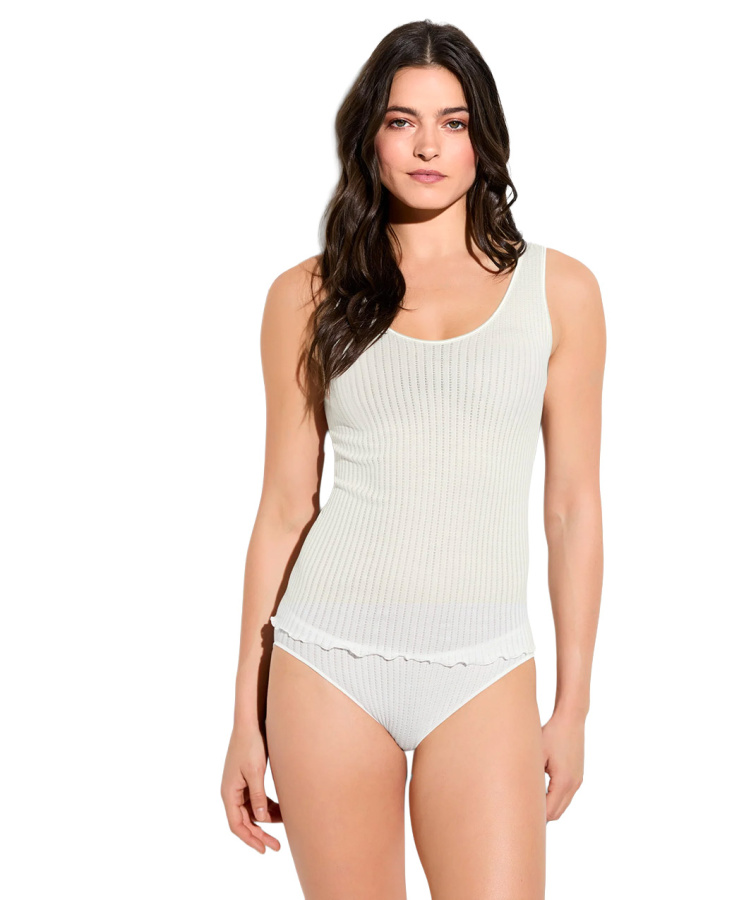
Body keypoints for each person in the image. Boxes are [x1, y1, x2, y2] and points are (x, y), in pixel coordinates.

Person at [221, 18, 605, 899]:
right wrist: (244, 714)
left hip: (483, 670)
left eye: (452, 122)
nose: (428, 145)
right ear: (371, 136)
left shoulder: (560, 292)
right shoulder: (306, 296)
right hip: (325, 663)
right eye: (402, 121)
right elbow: (284, 509)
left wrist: (573, 708)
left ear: (482, 138)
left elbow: (572, 509)